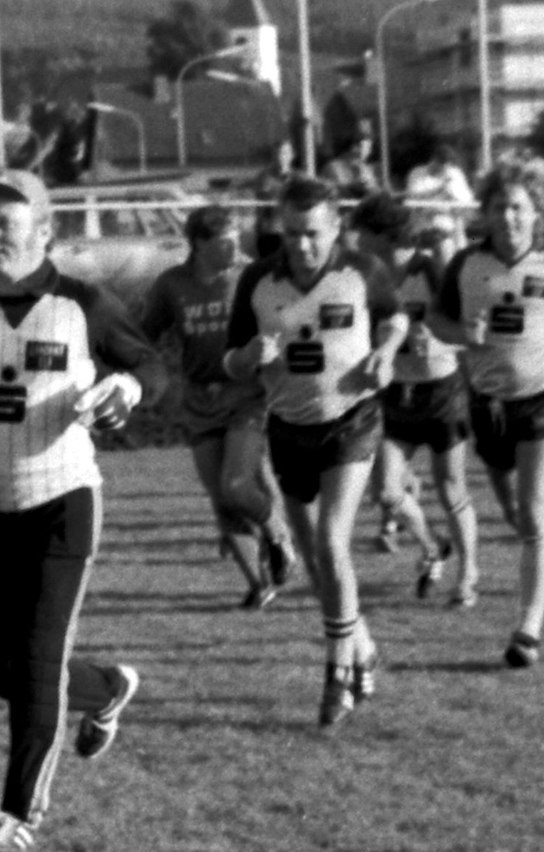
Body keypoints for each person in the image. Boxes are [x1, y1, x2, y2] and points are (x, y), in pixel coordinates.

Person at [0, 169, 159, 852]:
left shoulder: (84, 304)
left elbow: (151, 366)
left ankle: (19, 814)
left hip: (64, 501)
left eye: (6, 223)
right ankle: (107, 687)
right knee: (6, 674)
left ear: (45, 231)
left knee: (38, 663)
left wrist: (126, 388)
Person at [225, 174, 406, 727]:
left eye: (313, 234)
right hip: (288, 427)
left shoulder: (361, 271)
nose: (302, 246)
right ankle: (363, 648)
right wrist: (251, 355)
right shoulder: (258, 279)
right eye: (292, 233)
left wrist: (387, 352)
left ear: (335, 228)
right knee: (316, 560)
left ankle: (337, 675)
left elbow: (395, 316)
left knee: (332, 541)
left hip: (351, 421)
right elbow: (230, 360)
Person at [140, 205, 295, 611]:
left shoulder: (249, 277)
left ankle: (278, 535)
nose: (235, 249)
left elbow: (285, 320)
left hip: (247, 394)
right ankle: (259, 584)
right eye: (225, 242)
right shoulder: (172, 285)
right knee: (222, 501)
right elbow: (144, 336)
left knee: (236, 485)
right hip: (199, 399)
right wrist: (143, 373)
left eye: (237, 239)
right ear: (198, 244)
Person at [430, 164, 544, 667]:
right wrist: (462, 334)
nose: (510, 217)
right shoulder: (466, 264)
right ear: (486, 213)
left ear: (536, 212)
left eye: (519, 207)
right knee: (515, 512)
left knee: (534, 513)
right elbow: (436, 319)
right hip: (487, 405)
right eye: (500, 207)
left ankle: (528, 628)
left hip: (539, 400)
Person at [357, 194, 479, 610]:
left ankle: (468, 575)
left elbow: (460, 325)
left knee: (451, 488)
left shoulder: (427, 269)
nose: (356, 240)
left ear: (382, 235)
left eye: (362, 232)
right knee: (386, 492)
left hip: (441, 390)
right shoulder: (368, 274)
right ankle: (432, 545)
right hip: (395, 394)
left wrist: (440, 338)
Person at [404, 144, 476, 240]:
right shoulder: (417, 173)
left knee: (458, 232)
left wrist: (452, 195)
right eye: (442, 165)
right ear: (434, 160)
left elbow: (467, 199)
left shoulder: (455, 173)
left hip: (450, 223)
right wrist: (439, 190)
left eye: (447, 166)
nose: (444, 169)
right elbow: (413, 198)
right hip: (425, 224)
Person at [249, 138, 300, 260]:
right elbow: (261, 207)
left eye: (285, 153)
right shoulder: (264, 178)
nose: (281, 157)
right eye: (277, 153)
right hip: (270, 232)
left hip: (291, 230)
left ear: (292, 155)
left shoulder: (299, 178)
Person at [322, 132, 381, 202]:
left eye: (370, 148)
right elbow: (331, 191)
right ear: (354, 148)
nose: (369, 152)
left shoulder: (365, 168)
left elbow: (375, 191)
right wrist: (353, 187)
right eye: (367, 148)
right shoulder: (334, 167)